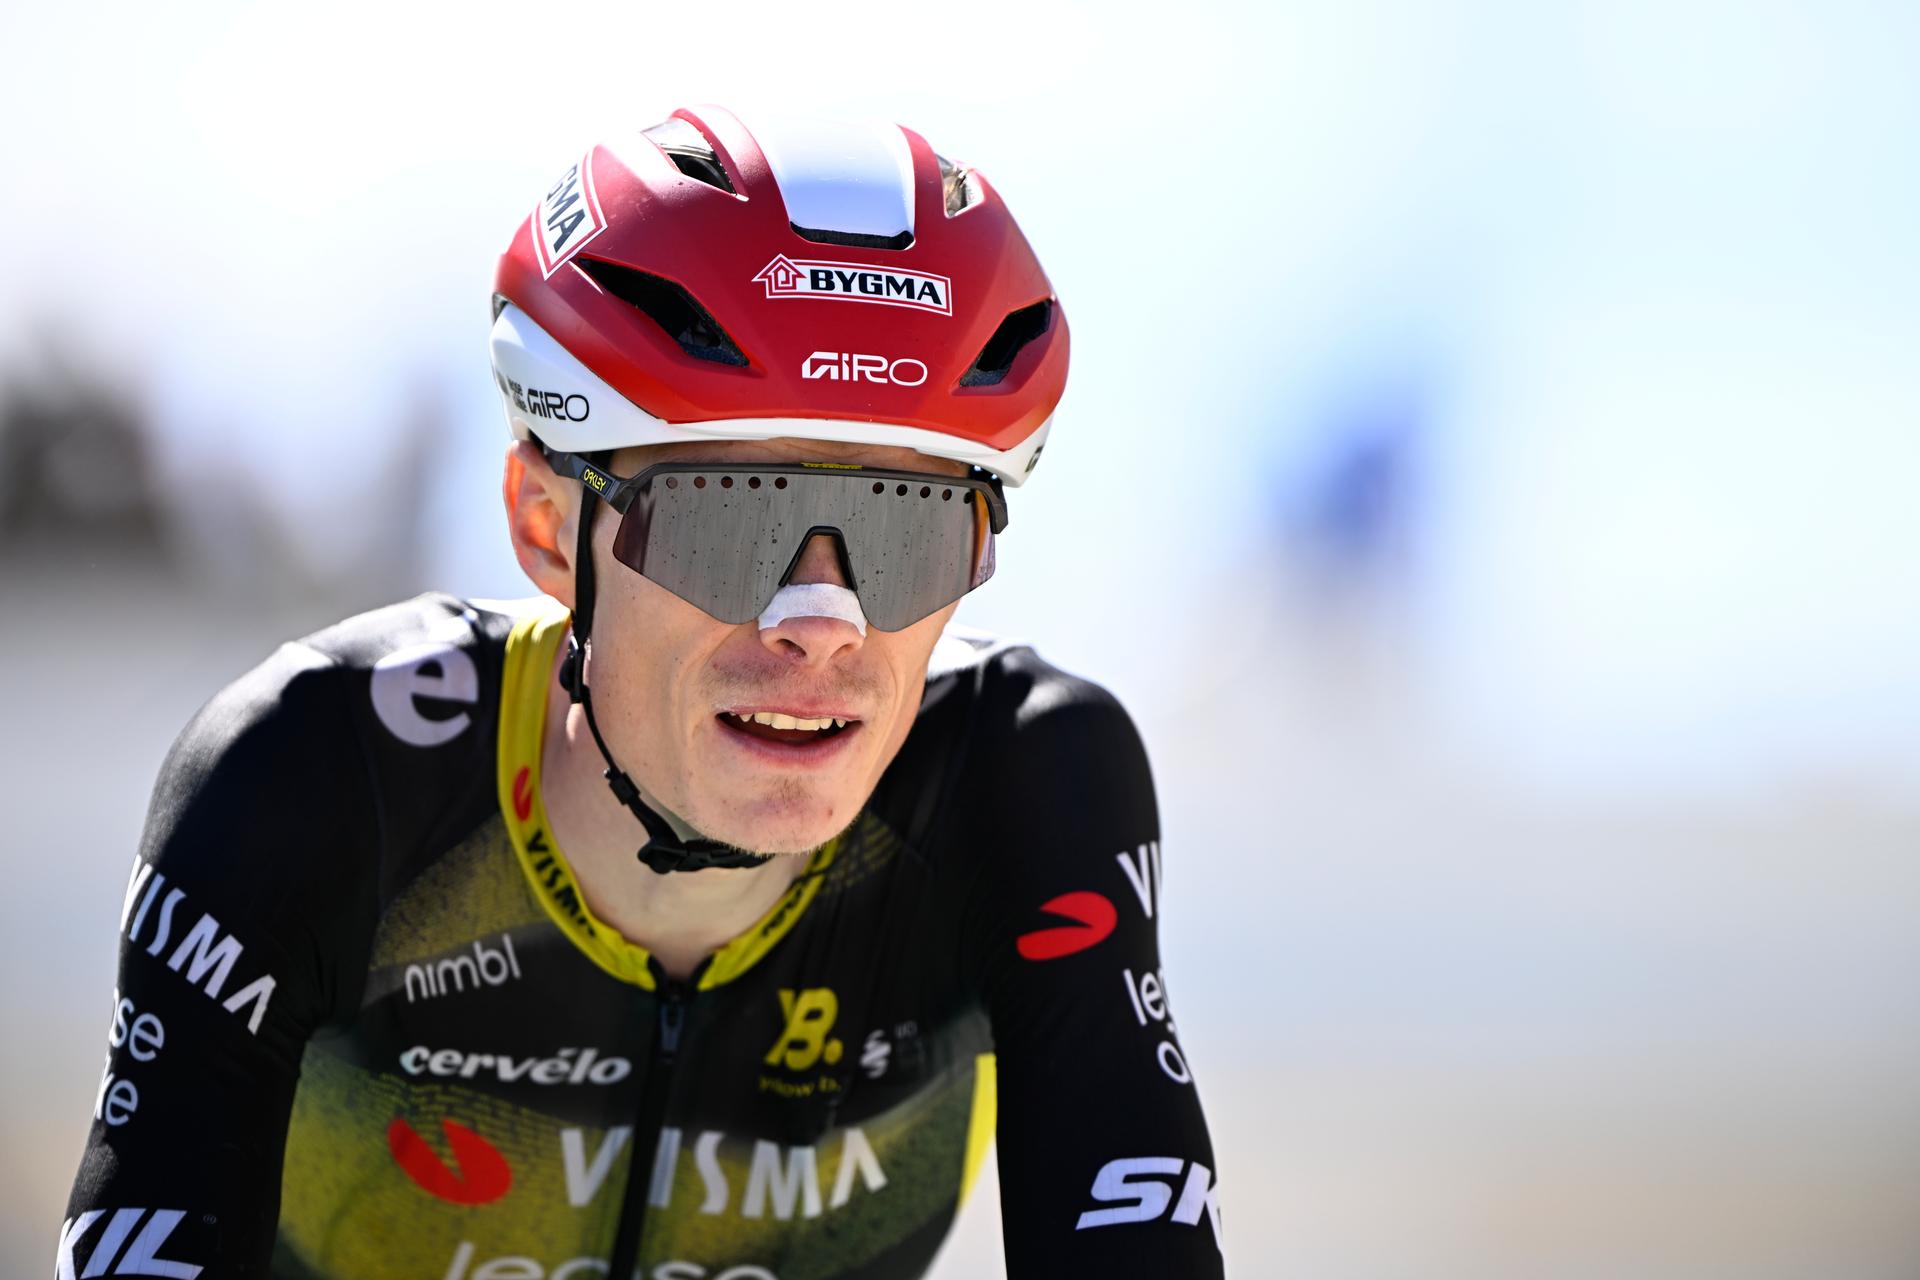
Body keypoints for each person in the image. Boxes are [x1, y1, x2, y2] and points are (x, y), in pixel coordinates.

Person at [60, 107, 1222, 1280]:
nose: (822, 624)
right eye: (730, 521)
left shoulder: (1020, 784)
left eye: (907, 529)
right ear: (544, 522)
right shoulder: (313, 775)